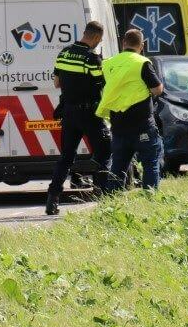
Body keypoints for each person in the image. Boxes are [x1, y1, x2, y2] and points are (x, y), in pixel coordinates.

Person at [45, 21, 112, 216]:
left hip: (69, 113)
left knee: (66, 158)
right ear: (97, 38)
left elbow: (57, 83)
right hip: (90, 113)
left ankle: (52, 200)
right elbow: (102, 85)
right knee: (104, 152)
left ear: (84, 33)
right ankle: (102, 197)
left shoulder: (63, 53)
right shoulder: (91, 58)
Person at [96, 29, 164, 191]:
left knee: (118, 166)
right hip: (142, 124)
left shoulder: (108, 63)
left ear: (123, 43)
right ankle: (150, 198)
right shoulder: (142, 62)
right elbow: (157, 89)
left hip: (118, 125)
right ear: (142, 45)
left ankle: (113, 201)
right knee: (150, 163)